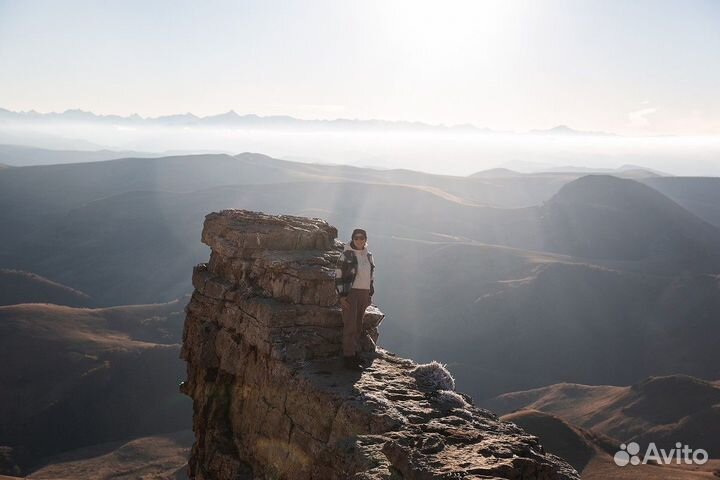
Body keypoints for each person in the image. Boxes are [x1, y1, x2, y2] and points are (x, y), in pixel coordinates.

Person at [334, 228, 375, 371]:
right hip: (351, 293)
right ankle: (348, 357)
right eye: (356, 238)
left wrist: (370, 294)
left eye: (362, 237)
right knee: (350, 325)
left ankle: (354, 354)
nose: (359, 240)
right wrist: (342, 296)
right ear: (352, 239)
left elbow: (370, 277)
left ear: (365, 239)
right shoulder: (346, 255)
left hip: (364, 293)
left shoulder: (368, 256)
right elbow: (338, 275)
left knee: (358, 325)